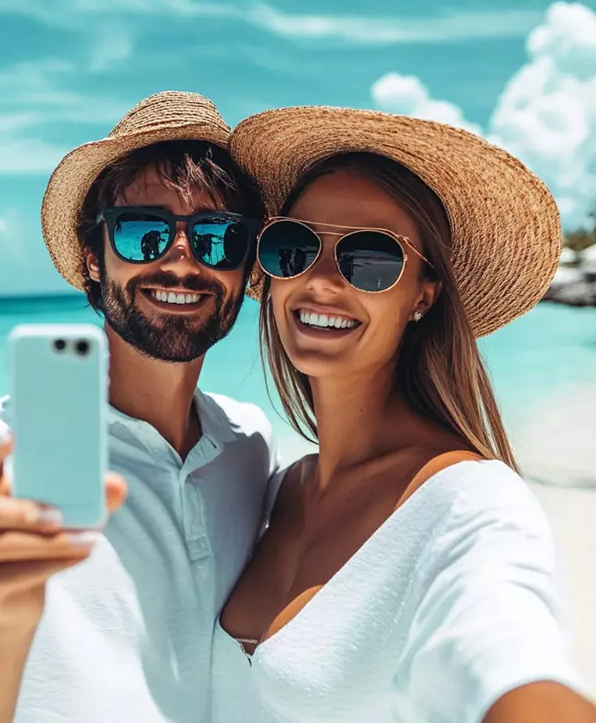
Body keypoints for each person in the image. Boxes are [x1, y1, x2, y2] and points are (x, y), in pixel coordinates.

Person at [0, 91, 280, 723]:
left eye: (218, 238)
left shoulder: (249, 445)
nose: (180, 260)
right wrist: (0, 623)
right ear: (92, 258)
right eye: (141, 231)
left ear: (246, 271)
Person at [211, 107, 595, 722]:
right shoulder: (278, 488)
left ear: (424, 292)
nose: (321, 282)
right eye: (294, 246)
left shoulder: (472, 503)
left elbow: (507, 656)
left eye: (371, 258)